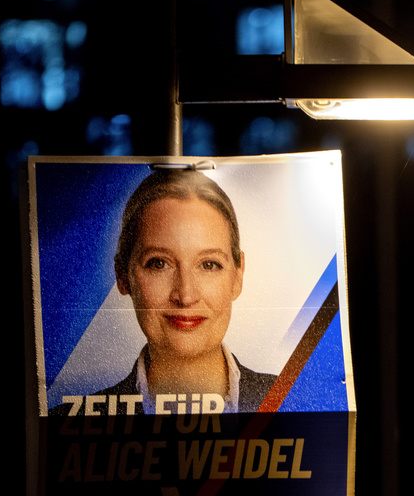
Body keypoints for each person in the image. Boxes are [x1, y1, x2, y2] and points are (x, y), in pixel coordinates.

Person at [73, 168, 275, 414]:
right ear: (123, 275)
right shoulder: (65, 425)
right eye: (159, 263)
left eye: (209, 264)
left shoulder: (297, 402)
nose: (185, 295)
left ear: (238, 275)